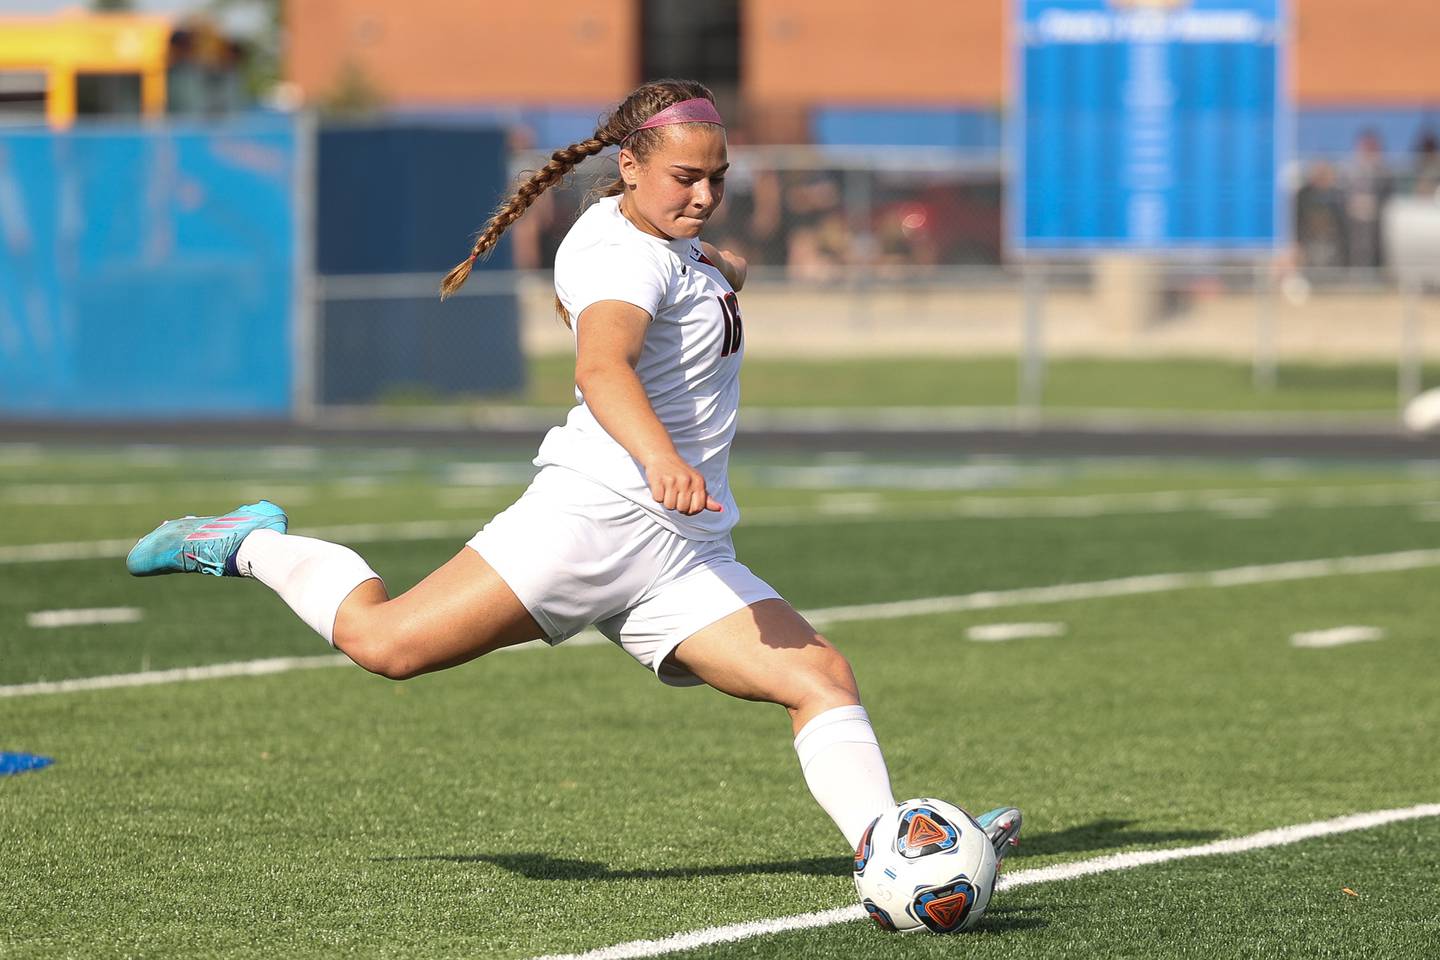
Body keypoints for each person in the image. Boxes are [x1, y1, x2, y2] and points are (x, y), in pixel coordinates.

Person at [125, 79, 1021, 867]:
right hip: (595, 518)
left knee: (820, 676)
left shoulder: (658, 241)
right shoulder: (619, 255)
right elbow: (601, 368)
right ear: (630, 164)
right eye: (686, 178)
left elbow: (693, 271)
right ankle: (249, 546)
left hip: (682, 547)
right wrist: (661, 456)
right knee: (386, 645)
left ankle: (890, 851)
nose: (706, 195)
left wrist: (719, 264)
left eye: (718, 179)